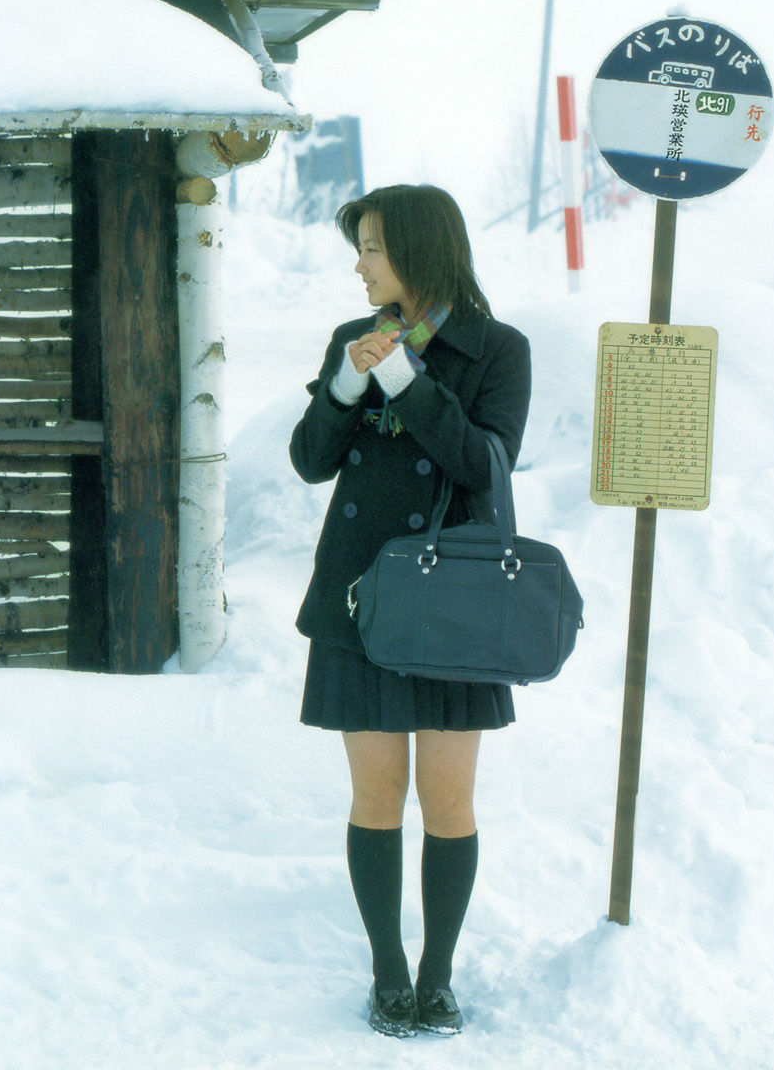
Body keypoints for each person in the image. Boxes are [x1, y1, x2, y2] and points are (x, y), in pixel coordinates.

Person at [288, 184, 531, 1038]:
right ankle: (390, 972)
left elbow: (480, 463)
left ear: (419, 253)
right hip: (363, 597)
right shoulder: (349, 340)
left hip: (455, 603)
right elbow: (311, 463)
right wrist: (348, 389)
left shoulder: (498, 350)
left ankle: (440, 974)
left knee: (450, 801)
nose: (360, 265)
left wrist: (407, 382)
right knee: (377, 795)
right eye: (359, 248)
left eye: (373, 249)